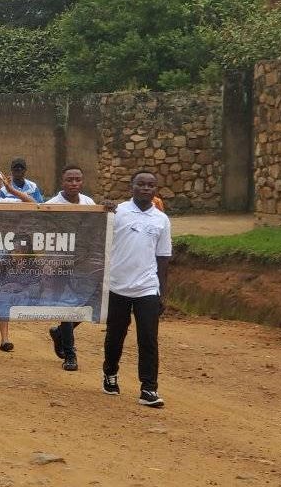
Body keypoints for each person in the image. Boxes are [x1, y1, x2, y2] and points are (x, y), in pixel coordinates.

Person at [101, 171, 171, 408]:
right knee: (115, 335)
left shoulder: (161, 220)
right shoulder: (118, 212)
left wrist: (162, 291)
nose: (145, 188)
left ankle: (149, 389)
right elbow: (98, 237)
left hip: (147, 288)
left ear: (156, 189)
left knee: (149, 339)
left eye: (151, 185)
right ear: (131, 186)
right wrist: (105, 210)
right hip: (117, 286)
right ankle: (110, 374)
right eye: (141, 184)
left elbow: (162, 258)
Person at [45, 165, 97, 372]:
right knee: (66, 305)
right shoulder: (51, 206)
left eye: (77, 179)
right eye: (70, 180)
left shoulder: (89, 203)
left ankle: (59, 333)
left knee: (92, 302)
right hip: (60, 264)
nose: (74, 183)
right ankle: (70, 354)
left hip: (83, 264)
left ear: (82, 182)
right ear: (62, 182)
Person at [0, 169, 36, 351]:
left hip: (2, 256)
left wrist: (12, 190)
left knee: (2, 294)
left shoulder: (7, 202)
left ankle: (4, 338)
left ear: (1, 185)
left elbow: (33, 204)